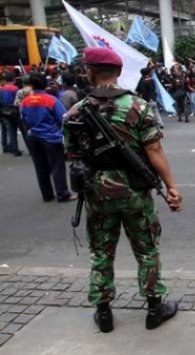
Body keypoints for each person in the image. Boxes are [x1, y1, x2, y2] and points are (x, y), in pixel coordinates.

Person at [63, 47, 182, 333]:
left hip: (97, 192)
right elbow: (154, 148)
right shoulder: (138, 106)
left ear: (89, 72)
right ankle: (155, 308)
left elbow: (71, 155)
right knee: (147, 250)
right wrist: (171, 187)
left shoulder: (75, 112)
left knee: (102, 252)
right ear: (118, 72)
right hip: (135, 191)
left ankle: (103, 313)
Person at [18, 73, 73, 202]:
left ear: (30, 85)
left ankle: (47, 195)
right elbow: (63, 118)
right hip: (51, 137)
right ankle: (62, 193)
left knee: (40, 167)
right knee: (57, 166)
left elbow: (23, 119)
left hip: (34, 137)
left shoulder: (25, 101)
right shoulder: (51, 100)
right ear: (46, 84)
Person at [0, 73, 22, 156]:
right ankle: (15, 149)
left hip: (4, 111)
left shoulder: (2, 89)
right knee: (19, 130)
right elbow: (17, 100)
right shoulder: (15, 88)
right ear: (14, 79)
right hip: (14, 110)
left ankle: (10, 147)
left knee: (7, 130)